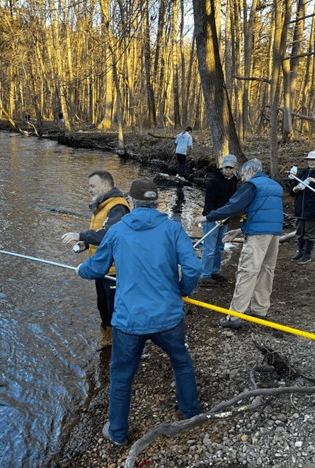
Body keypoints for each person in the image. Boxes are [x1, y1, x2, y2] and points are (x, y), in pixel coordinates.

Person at [76, 180, 202, 446]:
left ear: (131, 203)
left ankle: (118, 433)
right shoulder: (172, 228)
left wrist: (80, 270)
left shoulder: (118, 231)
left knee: (122, 375)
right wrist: (181, 291)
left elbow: (97, 268)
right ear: (156, 203)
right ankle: (191, 413)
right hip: (168, 317)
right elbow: (193, 269)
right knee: (181, 362)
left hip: (129, 321)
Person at [196, 159, 283, 329]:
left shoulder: (252, 185)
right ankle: (259, 309)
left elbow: (233, 206)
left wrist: (208, 217)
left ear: (250, 170)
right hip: (275, 233)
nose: (242, 178)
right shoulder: (275, 186)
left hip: (258, 236)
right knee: (267, 270)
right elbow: (262, 213)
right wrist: (240, 231)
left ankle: (235, 316)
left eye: (243, 174)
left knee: (247, 271)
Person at [61, 171, 130, 348]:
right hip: (101, 267)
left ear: (105, 186)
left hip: (115, 270)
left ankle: (120, 343)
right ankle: (107, 340)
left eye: (92, 185)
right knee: (102, 306)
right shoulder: (101, 205)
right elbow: (100, 233)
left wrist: (80, 235)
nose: (89, 189)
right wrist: (85, 243)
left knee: (113, 308)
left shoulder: (118, 207)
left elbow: (109, 233)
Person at [198, 154, 240, 288]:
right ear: (222, 167)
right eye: (226, 167)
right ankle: (205, 275)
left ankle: (214, 271)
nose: (228, 170)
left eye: (230, 168)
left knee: (220, 247)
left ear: (234, 169)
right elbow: (209, 201)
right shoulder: (214, 180)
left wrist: (228, 216)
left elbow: (232, 201)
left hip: (225, 219)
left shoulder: (234, 181)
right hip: (212, 218)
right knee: (209, 248)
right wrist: (213, 216)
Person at [289, 150, 315, 265]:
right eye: (309, 160)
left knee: (310, 233)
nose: (311, 162)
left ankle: (307, 254)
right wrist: (296, 189)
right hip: (301, 209)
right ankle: (300, 252)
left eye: (314, 160)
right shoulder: (302, 172)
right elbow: (292, 189)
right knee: (300, 232)